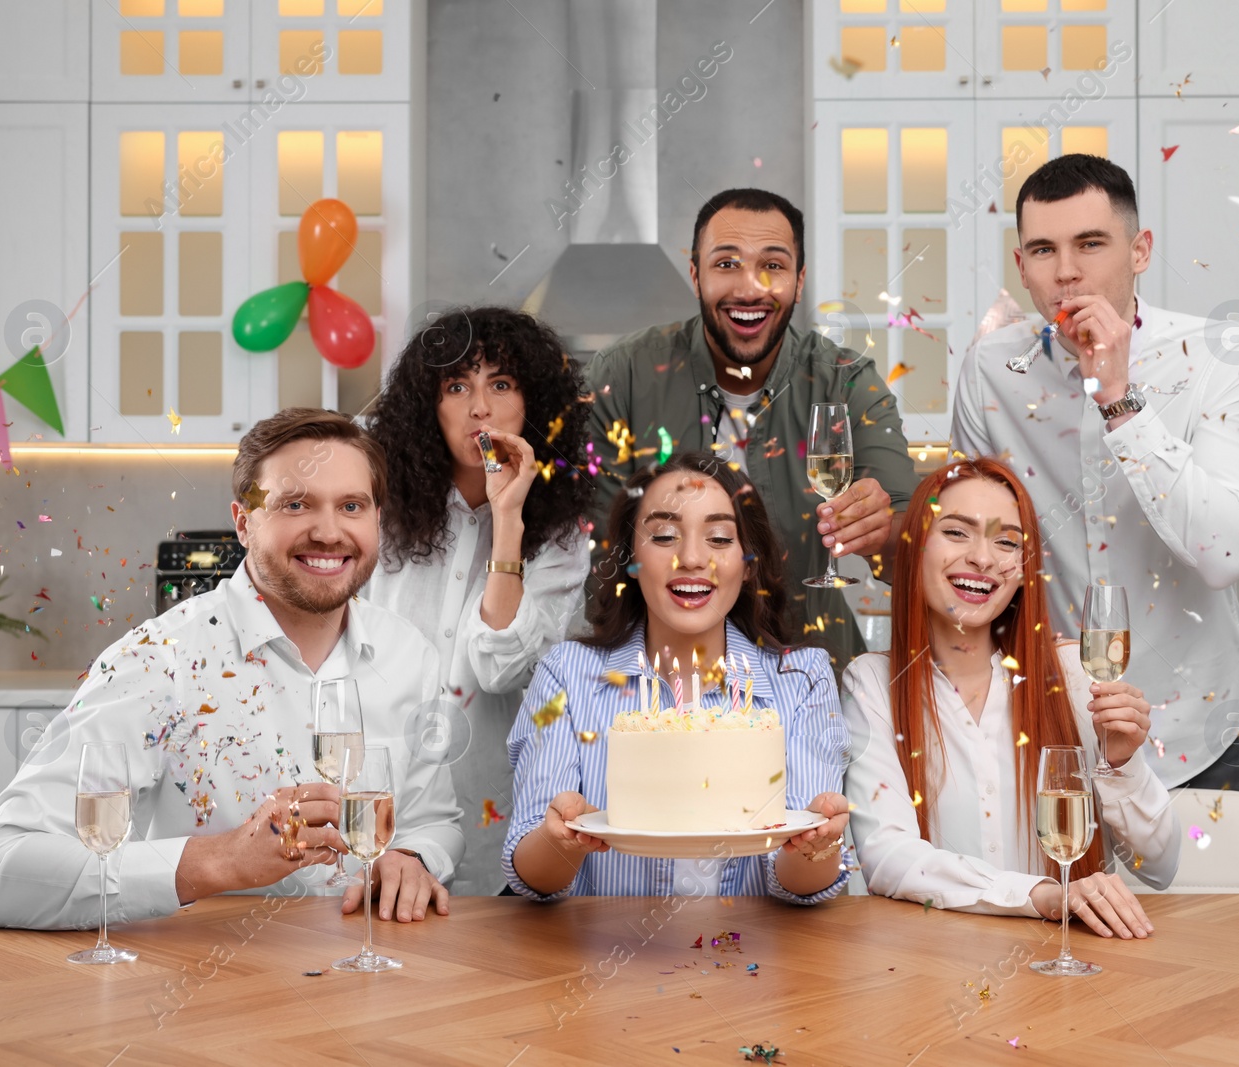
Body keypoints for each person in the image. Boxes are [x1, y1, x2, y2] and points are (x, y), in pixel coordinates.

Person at [0, 409, 462, 929]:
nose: (329, 532)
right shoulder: (158, 660)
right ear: (243, 522)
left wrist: (416, 858)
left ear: (377, 519)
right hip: (207, 988)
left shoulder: (410, 656)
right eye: (295, 504)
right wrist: (217, 861)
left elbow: (432, 821)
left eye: (351, 506)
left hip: (375, 986)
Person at [952, 153, 1239, 790]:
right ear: (1021, 267)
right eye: (1042, 250)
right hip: (1050, 730)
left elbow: (1227, 553)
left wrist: (1119, 398)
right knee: (1062, 894)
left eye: (1091, 244)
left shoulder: (1218, 358)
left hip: (1195, 729)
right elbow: (974, 546)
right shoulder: (992, 370)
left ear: (1140, 250)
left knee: (1205, 895)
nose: (1066, 273)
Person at [584, 188, 918, 669]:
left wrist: (882, 530)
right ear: (695, 274)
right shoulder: (623, 377)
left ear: (799, 282)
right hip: (658, 679)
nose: (749, 288)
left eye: (774, 266)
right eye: (726, 264)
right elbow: (601, 558)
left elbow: (914, 543)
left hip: (814, 674)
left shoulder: (845, 381)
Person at [843, 457, 1180, 932]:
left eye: (1006, 542)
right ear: (914, 548)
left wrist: (1122, 765)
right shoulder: (873, 684)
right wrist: (1038, 896)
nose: (983, 558)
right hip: (936, 975)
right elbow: (888, 857)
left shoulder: (1073, 674)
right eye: (957, 533)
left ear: (1023, 571)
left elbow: (1161, 866)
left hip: (1072, 969)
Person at [503, 453, 851, 903]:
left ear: (747, 565)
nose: (690, 558)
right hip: (600, 961)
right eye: (664, 535)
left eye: (720, 538)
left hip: (758, 963)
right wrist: (561, 838)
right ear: (630, 561)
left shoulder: (802, 679)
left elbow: (802, 886)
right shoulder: (565, 676)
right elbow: (532, 879)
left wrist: (816, 845)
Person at [366, 306, 592, 895]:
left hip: (490, 810)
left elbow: (498, 667)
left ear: (533, 403)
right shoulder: (372, 509)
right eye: (457, 386)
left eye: (500, 384)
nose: (479, 409)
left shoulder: (562, 537)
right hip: (370, 803)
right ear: (427, 404)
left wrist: (509, 516)